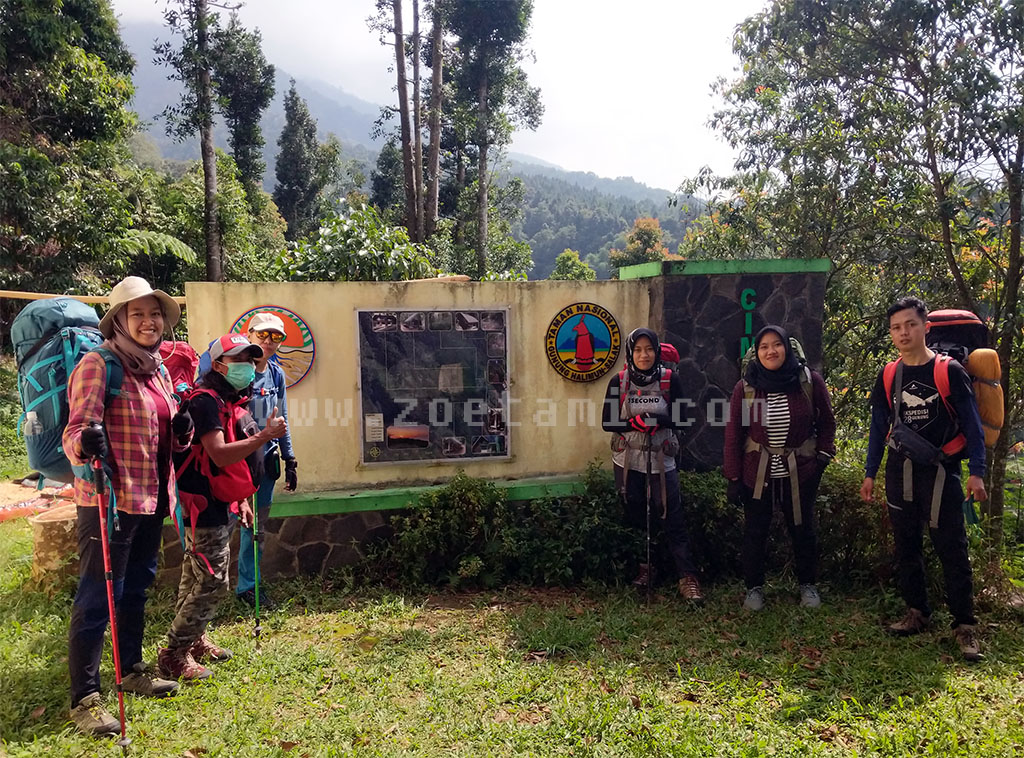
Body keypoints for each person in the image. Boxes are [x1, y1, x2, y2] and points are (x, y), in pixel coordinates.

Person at [63, 276, 190, 736]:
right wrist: (85, 441)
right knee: (98, 597)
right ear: (119, 320)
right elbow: (75, 431)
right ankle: (86, 698)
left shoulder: (156, 369)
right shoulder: (99, 365)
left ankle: (132, 668)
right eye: (137, 314)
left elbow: (165, 433)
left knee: (137, 587)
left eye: (154, 313)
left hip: (153, 497)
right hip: (110, 502)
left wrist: (185, 427)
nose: (149, 321)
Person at [860, 297, 987, 661]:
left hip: (942, 470)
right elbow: (877, 428)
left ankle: (965, 626)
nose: (904, 332)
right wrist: (870, 473)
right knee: (906, 546)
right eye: (897, 327)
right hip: (900, 469)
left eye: (910, 325)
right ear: (891, 333)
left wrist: (976, 472)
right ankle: (917, 612)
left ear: (925, 327)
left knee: (952, 549)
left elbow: (974, 428)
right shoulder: (889, 375)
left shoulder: (949, 372)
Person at [158, 334, 288, 681]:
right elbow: (217, 452)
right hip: (201, 505)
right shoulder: (205, 402)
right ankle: (174, 653)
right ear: (217, 365)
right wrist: (264, 437)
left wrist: (241, 498)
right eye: (239, 359)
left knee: (196, 576)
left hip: (219, 500)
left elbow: (228, 463)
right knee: (213, 580)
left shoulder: (230, 399)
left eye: (250, 358)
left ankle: (194, 640)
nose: (248, 365)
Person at [723, 325, 836, 611]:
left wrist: (822, 457)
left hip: (800, 471)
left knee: (803, 529)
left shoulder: (808, 382)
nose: (770, 351)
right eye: (763, 346)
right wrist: (734, 476)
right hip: (756, 471)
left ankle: (808, 586)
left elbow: (827, 423)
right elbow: (734, 432)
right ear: (756, 353)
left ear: (788, 347)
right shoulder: (746, 387)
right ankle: (754, 589)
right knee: (755, 531)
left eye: (776, 345)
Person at [601, 327, 703, 601]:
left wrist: (658, 420)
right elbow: (607, 421)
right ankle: (646, 568)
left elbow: (683, 419)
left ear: (657, 351)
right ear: (630, 353)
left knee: (671, 515)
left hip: (662, 459)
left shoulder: (670, 380)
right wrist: (631, 423)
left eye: (648, 349)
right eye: (637, 350)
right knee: (635, 516)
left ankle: (687, 577)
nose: (643, 355)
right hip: (628, 459)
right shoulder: (619, 381)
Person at [236, 312, 298, 610]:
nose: (269, 342)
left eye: (276, 337)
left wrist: (290, 458)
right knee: (222, 525)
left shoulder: (276, 374)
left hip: (266, 463)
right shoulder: (234, 371)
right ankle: (209, 584)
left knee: (256, 526)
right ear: (249, 334)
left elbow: (282, 418)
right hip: (234, 460)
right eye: (263, 335)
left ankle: (248, 586)